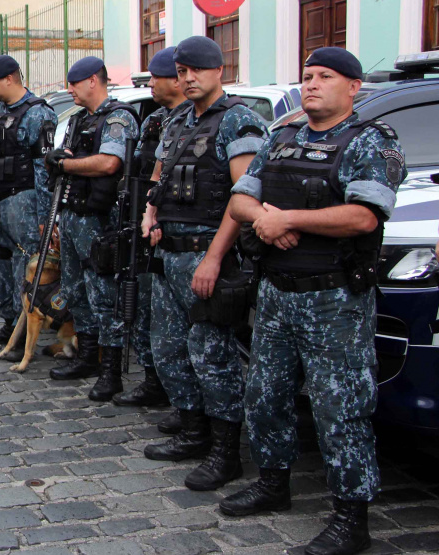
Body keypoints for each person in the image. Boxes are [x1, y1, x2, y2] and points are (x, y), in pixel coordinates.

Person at [222, 47, 404, 555]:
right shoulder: (281, 139)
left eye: (326, 76)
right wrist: (264, 219)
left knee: (339, 406)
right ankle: (272, 482)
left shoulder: (369, 142)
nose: (312, 85)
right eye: (307, 76)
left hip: (334, 299)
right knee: (265, 393)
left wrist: (289, 220)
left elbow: (365, 216)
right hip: (278, 292)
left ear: (353, 88)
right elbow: (239, 198)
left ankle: (351, 518)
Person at [139, 36, 269, 492]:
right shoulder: (177, 120)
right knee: (169, 349)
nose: (188, 78)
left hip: (208, 254)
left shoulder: (239, 121)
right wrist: (150, 214)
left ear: (219, 70)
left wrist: (214, 258)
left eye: (197, 69)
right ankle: (193, 432)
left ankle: (225, 452)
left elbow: (244, 196)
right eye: (182, 71)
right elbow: (159, 174)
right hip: (170, 252)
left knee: (212, 356)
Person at [44, 56, 140, 402]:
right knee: (74, 290)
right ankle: (86, 357)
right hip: (73, 215)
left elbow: (108, 163)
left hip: (102, 221)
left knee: (104, 296)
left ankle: (111, 370)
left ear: (93, 82)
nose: (70, 90)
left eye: (74, 83)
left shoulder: (119, 118)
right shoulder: (80, 119)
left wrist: (65, 164)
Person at [112, 47, 189, 426]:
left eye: (156, 76)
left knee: (182, 326)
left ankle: (186, 401)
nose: (150, 84)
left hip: (182, 234)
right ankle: (155, 380)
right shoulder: (156, 119)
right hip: (144, 223)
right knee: (145, 310)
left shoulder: (203, 120)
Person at [0, 55, 58, 345]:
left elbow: (44, 169)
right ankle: (9, 319)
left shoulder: (38, 113)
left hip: (23, 199)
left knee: (22, 267)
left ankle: (21, 330)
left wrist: (44, 217)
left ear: (9, 78)